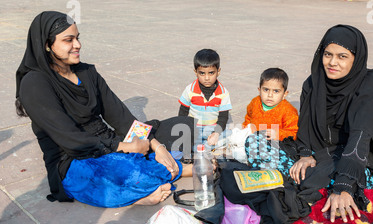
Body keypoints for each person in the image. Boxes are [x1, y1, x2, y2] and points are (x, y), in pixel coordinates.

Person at [15, 11, 194, 208]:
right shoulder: (35, 83)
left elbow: (121, 117)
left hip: (110, 142)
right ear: (48, 45)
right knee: (130, 172)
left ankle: (159, 168)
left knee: (185, 126)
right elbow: (71, 139)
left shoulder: (87, 72)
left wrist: (155, 145)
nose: (78, 45)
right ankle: (169, 173)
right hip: (74, 158)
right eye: (68, 40)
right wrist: (128, 148)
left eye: (77, 38)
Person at [246, 25, 373, 222]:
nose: (332, 62)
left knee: (335, 187)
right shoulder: (313, 83)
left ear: (356, 59)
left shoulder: (370, 84)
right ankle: (301, 185)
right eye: (327, 54)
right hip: (317, 155)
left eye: (342, 56)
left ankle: (293, 184)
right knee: (256, 142)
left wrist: (343, 186)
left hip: (353, 159)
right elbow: (304, 127)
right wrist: (305, 154)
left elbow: (360, 136)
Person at [178, 49, 232, 150]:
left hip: (212, 129)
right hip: (194, 128)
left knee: (229, 134)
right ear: (196, 72)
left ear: (218, 71)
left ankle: (202, 147)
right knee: (182, 136)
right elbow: (183, 112)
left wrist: (216, 133)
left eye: (211, 73)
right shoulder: (189, 90)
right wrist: (183, 130)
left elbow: (223, 117)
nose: (207, 78)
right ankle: (203, 147)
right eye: (202, 73)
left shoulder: (223, 93)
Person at [242, 68, 298, 141]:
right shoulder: (255, 102)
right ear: (259, 90)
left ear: (284, 94)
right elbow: (248, 117)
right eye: (266, 90)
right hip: (254, 140)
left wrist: (277, 134)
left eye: (276, 91)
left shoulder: (288, 111)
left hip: (275, 145)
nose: (270, 95)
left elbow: (294, 133)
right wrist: (246, 128)